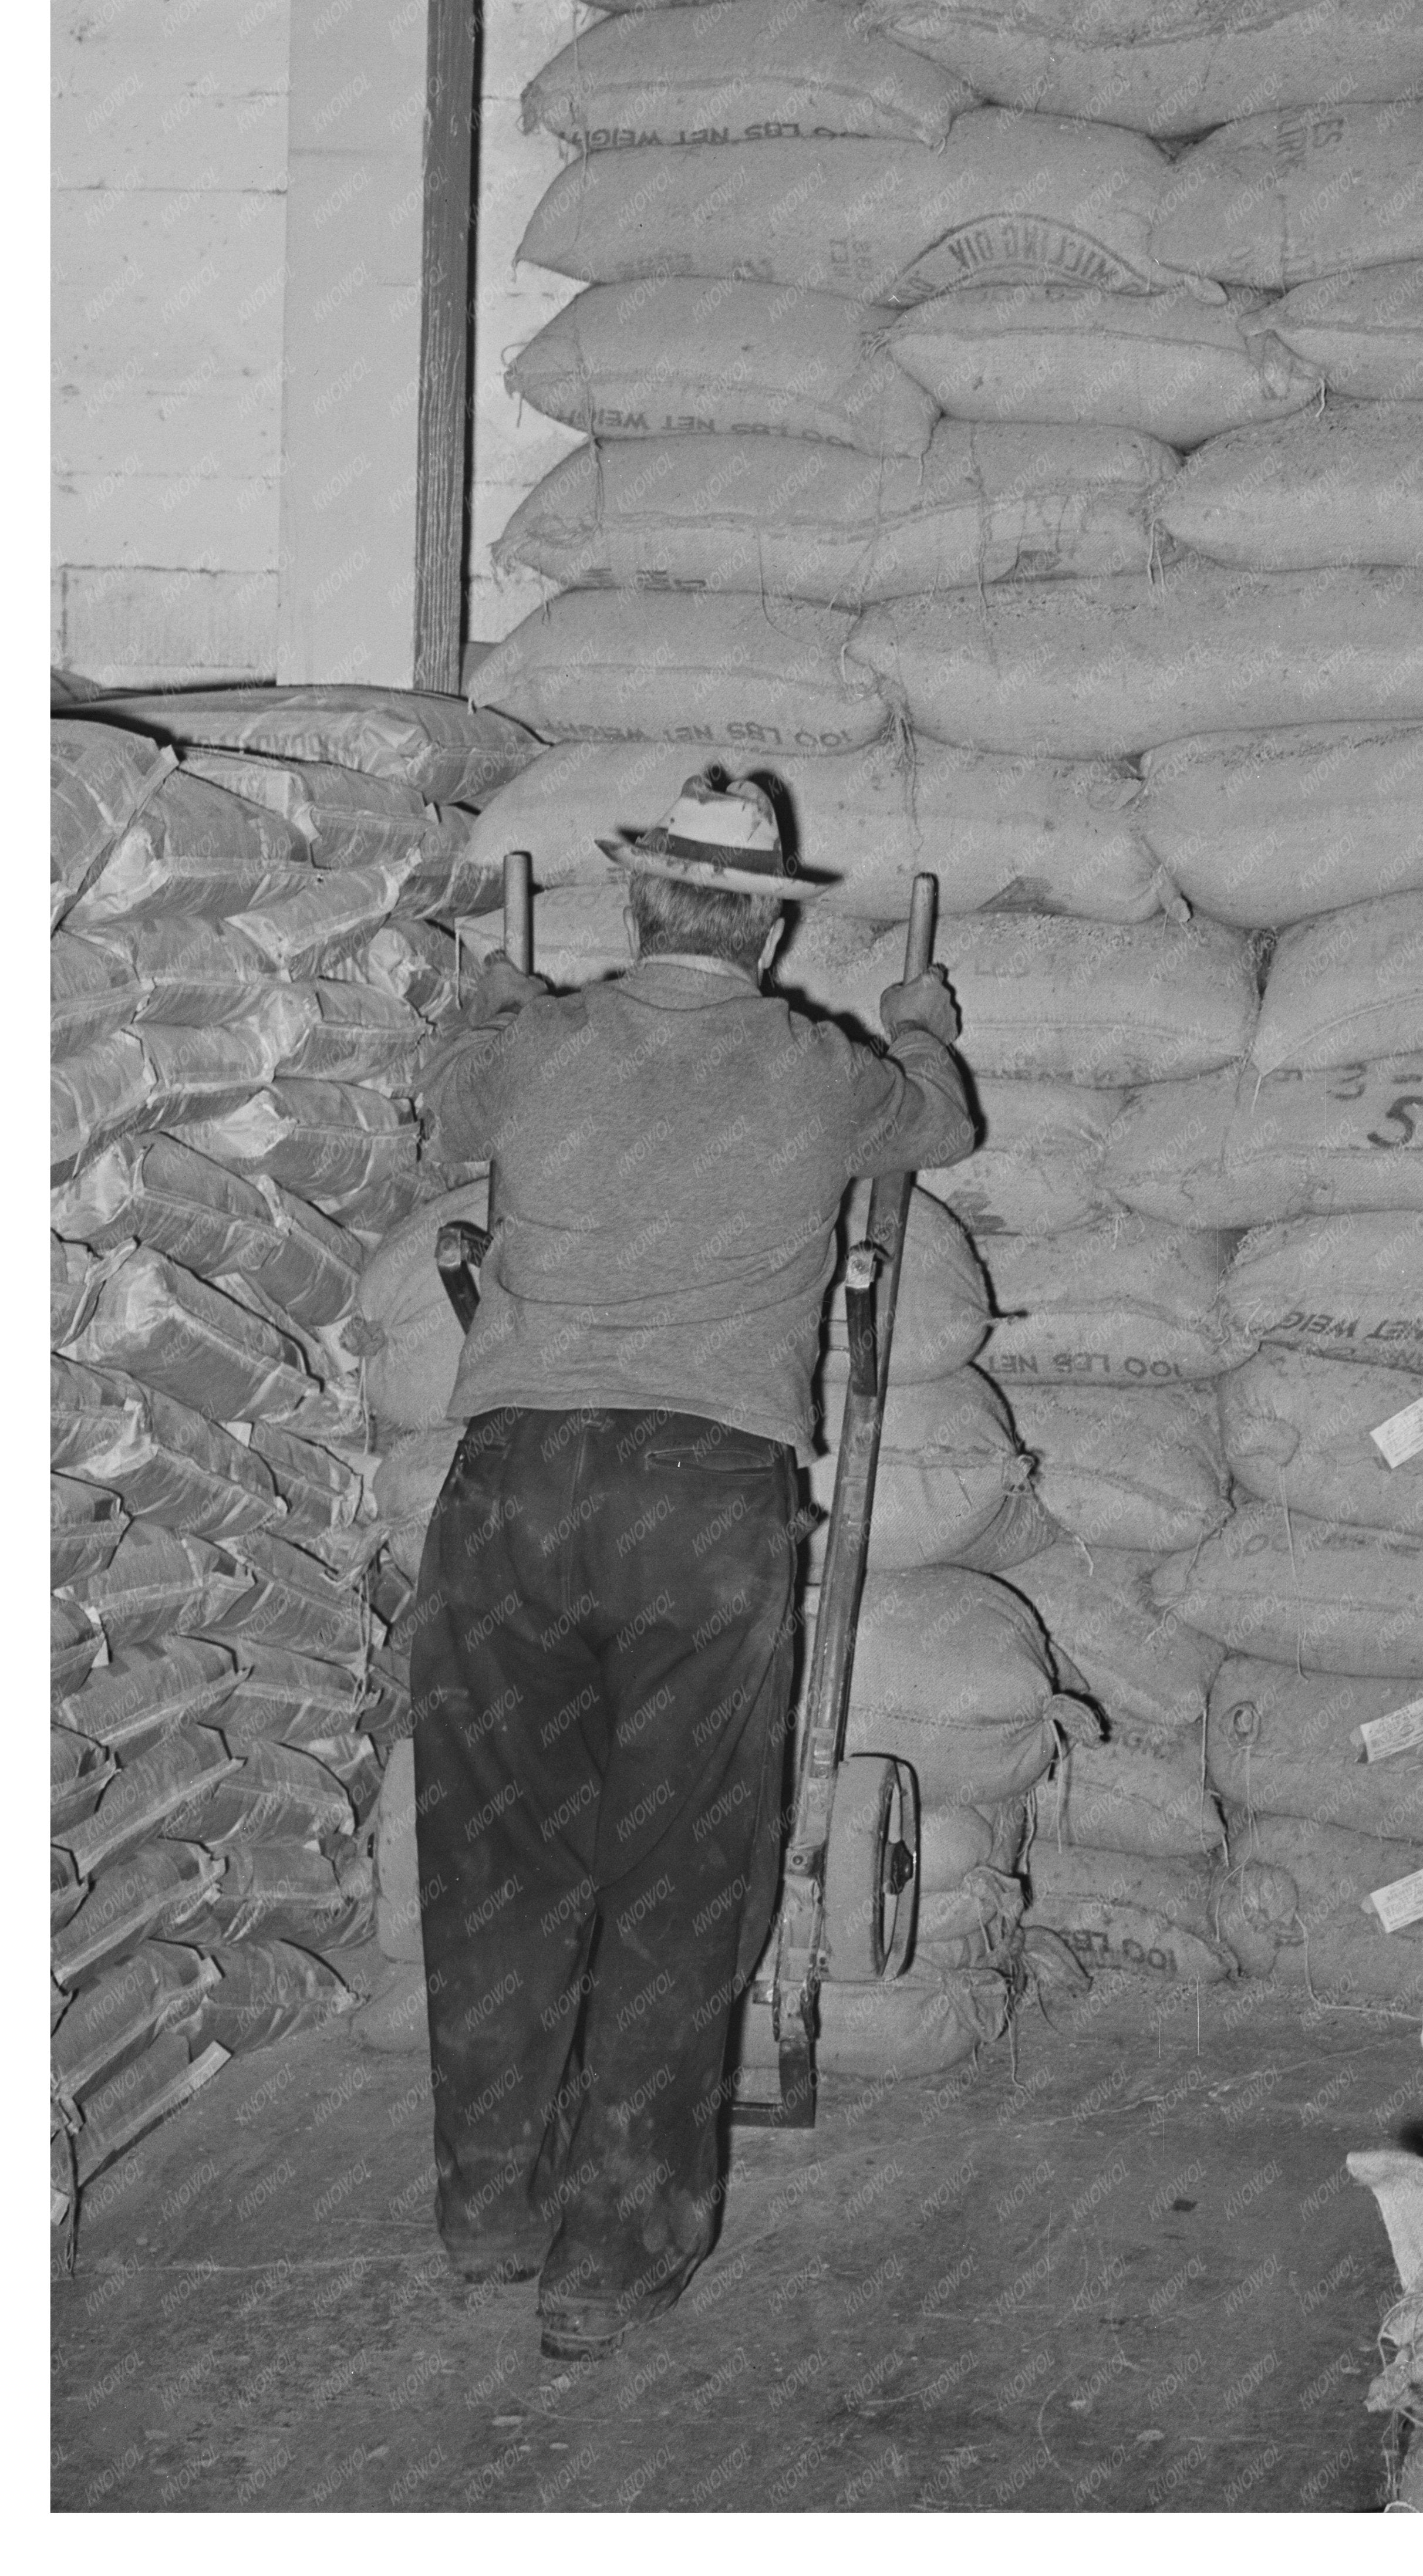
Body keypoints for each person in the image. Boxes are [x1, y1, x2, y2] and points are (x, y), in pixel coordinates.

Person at [406, 768, 978, 2360]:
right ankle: (610, 2263)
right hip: (704, 1506)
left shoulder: (540, 1047)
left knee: (497, 1857)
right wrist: (921, 1021)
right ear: (768, 928)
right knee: (676, 1875)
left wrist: (495, 1000)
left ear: (641, 902)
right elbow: (944, 1124)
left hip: (516, 1490)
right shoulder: (823, 1072)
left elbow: (443, 1111)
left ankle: (490, 2214)